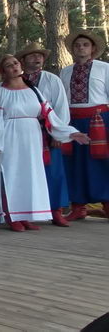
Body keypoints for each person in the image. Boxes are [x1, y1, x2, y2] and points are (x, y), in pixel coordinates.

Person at [0, 54, 89, 231]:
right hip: (11, 135)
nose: (14, 67)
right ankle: (12, 215)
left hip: (32, 135)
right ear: (3, 71)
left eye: (15, 63)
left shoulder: (33, 90)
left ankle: (26, 215)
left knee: (31, 175)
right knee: (13, 174)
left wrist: (70, 132)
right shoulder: (1, 92)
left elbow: (49, 114)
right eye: (9, 65)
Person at [16, 42, 73, 226]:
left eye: (40, 55)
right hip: (26, 132)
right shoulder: (16, 81)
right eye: (32, 55)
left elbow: (61, 106)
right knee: (27, 171)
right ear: (23, 60)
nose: (37, 58)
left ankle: (56, 210)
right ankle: (27, 211)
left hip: (48, 131)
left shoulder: (51, 79)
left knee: (54, 171)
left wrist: (58, 134)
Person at [59, 30, 109, 220]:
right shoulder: (65, 71)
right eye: (77, 45)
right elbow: (62, 100)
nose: (81, 48)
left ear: (93, 48)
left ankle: (107, 204)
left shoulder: (104, 68)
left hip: (99, 121)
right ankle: (78, 206)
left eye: (85, 45)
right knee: (75, 163)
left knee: (102, 161)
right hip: (73, 121)